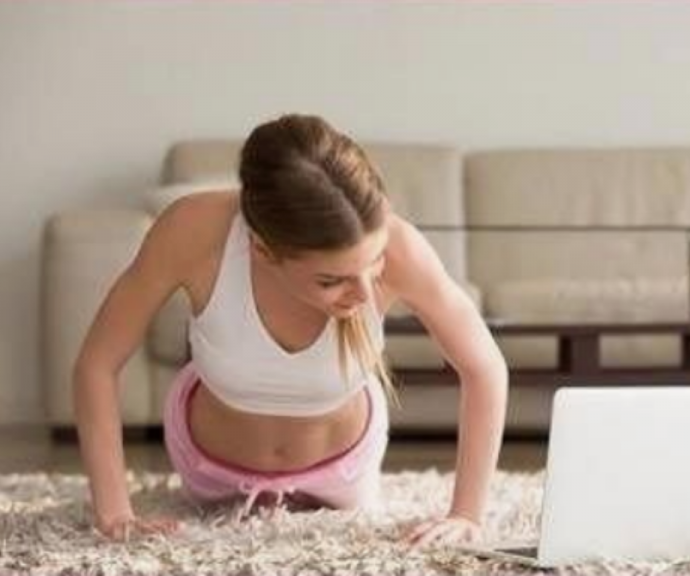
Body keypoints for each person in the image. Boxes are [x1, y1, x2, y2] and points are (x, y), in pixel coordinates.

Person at [73, 113, 508, 548]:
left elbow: (485, 368)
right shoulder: (193, 230)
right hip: (210, 470)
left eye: (374, 262)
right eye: (331, 280)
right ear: (262, 249)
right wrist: (114, 511)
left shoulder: (403, 246)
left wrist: (466, 513)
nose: (363, 293)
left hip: (345, 470)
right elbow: (97, 363)